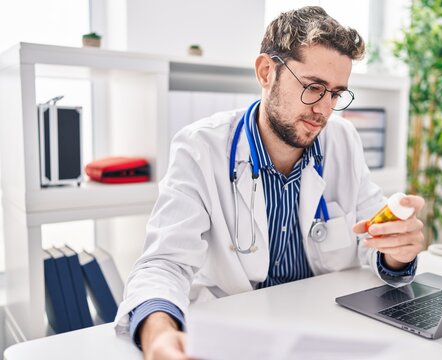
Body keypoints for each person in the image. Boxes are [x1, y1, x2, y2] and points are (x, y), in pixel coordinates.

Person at [115, 5, 425, 359]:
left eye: (336, 93)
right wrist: (158, 337)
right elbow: (163, 264)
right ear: (266, 71)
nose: (324, 110)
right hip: (238, 337)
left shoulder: (343, 140)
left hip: (327, 330)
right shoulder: (199, 148)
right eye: (313, 87)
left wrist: (397, 251)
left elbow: (372, 240)